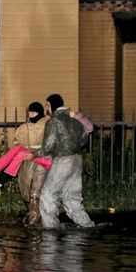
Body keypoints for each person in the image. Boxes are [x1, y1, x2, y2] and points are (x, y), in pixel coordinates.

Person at [0, 101, 50, 226]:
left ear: (40, 113)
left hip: (42, 160)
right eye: (29, 113)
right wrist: (24, 147)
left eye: (33, 113)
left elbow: (50, 145)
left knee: (34, 193)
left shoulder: (48, 124)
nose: (30, 116)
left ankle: (2, 175)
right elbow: (16, 142)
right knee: (26, 189)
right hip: (28, 160)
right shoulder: (23, 127)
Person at [34, 93, 95, 229]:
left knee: (48, 195)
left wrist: (33, 154)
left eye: (47, 105)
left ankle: (50, 228)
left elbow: (48, 146)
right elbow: (83, 139)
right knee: (72, 198)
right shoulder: (75, 122)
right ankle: (87, 226)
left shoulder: (54, 121)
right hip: (77, 161)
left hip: (63, 161)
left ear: (52, 105)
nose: (46, 109)